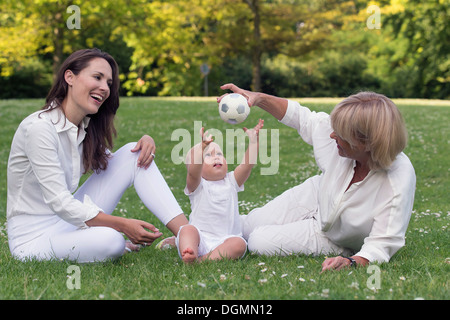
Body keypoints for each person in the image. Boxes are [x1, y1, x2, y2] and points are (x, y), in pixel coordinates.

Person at [6, 48, 188, 263]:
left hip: (66, 222)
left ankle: (189, 236)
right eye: (97, 77)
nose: (104, 88)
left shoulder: (83, 128)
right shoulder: (39, 128)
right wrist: (121, 224)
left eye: (108, 83)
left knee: (134, 154)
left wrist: (146, 140)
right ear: (70, 77)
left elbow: (118, 165)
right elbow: (60, 202)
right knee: (111, 240)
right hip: (33, 239)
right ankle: (101, 242)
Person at [217, 84, 416, 272]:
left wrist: (353, 261)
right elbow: (303, 118)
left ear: (366, 143)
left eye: (340, 134)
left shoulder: (397, 179)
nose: (331, 136)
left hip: (337, 239)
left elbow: (384, 241)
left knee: (258, 242)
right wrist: (258, 98)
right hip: (316, 195)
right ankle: (200, 231)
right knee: (247, 225)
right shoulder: (340, 135)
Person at [176, 119, 264, 263]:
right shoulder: (198, 186)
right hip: (201, 239)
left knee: (239, 244)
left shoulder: (231, 181)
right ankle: (189, 250)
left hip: (226, 240)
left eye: (219, 153)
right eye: (208, 155)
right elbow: (193, 172)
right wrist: (201, 148)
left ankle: (201, 260)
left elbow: (247, 165)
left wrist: (254, 141)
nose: (216, 156)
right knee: (187, 230)